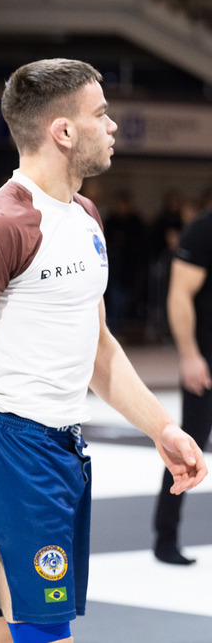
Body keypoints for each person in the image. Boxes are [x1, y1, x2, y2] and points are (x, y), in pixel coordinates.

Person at [0, 59, 206, 643]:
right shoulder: (0, 225)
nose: (113, 126)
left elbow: (99, 350)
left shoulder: (84, 215)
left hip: (62, 449)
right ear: (63, 132)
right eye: (101, 114)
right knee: (44, 634)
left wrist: (161, 428)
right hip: (14, 452)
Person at [153, 207, 212, 565]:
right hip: (206, 356)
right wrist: (190, 355)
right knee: (188, 444)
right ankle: (166, 536)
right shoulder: (202, 230)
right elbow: (179, 295)